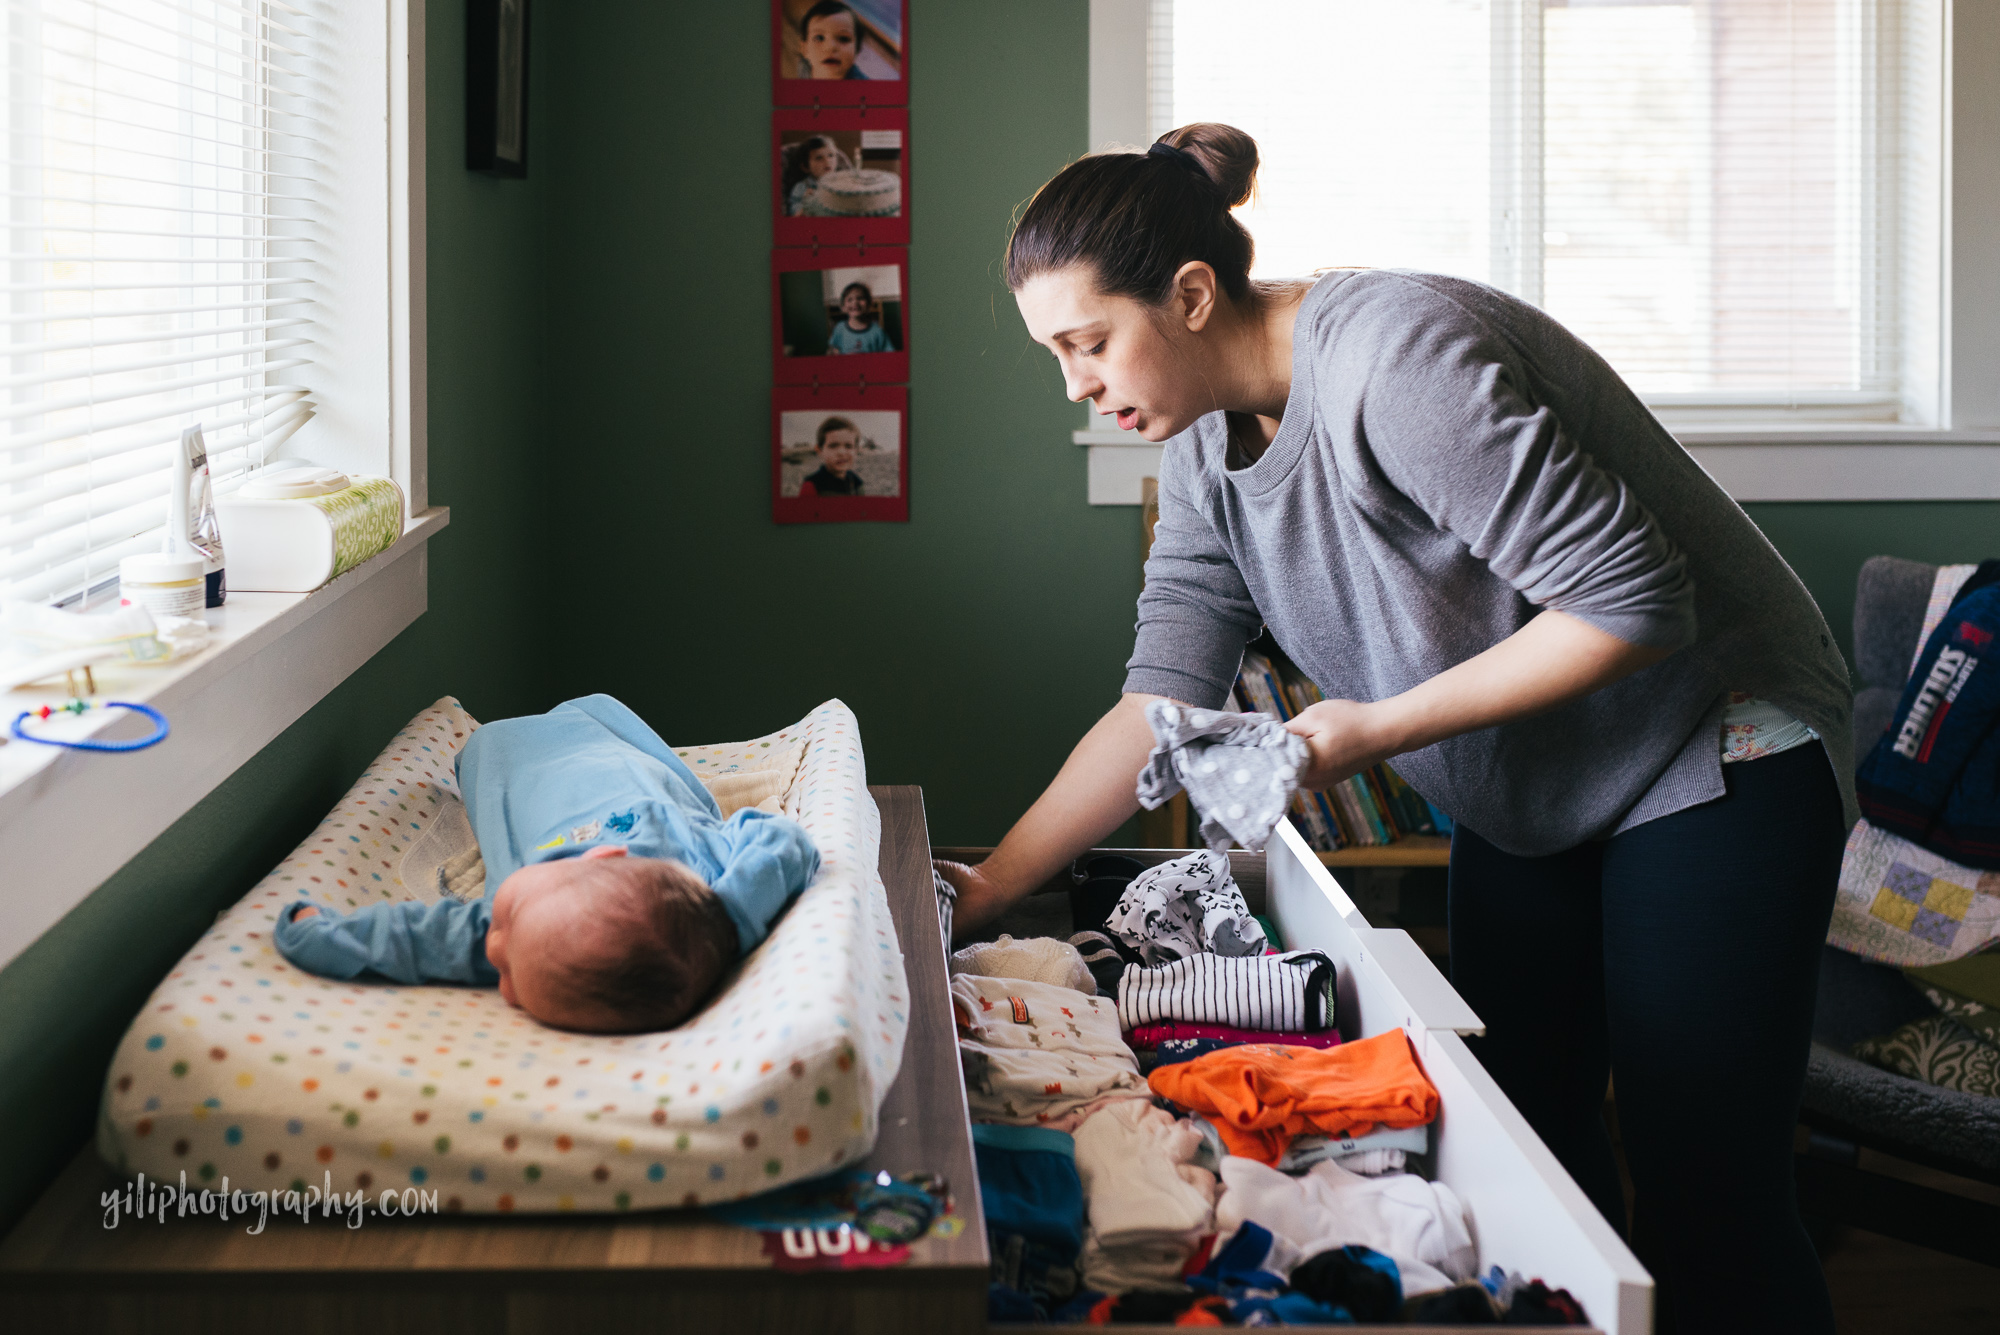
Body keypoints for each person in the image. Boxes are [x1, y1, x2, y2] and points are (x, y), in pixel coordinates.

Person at [936, 122, 1854, 1334]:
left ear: (1192, 296)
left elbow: (1633, 600)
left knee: (1704, 1184)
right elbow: (1156, 702)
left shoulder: (1397, 360)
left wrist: (1357, 733)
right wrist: (993, 885)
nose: (1076, 384)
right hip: (1536, 782)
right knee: (1517, 1144)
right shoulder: (1207, 456)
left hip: (1714, 742)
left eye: (1088, 343)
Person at [273, 695, 820, 1034]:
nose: (494, 956)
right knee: (602, 732)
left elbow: (410, 938)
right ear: (606, 856)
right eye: (506, 958)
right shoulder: (703, 867)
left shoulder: (515, 939)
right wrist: (730, 918)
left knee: (495, 752)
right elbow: (785, 843)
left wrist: (323, 936)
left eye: (506, 979)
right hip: (611, 756)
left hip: (517, 770)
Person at [795, 1, 866, 80]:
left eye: (843, 39)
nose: (830, 47)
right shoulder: (804, 68)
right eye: (819, 38)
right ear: (804, 48)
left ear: (857, 48)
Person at [797, 416, 865, 497]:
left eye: (848, 446)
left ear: (856, 451)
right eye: (833, 446)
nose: (841, 452)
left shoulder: (857, 483)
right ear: (819, 451)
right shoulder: (811, 487)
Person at [782, 135, 842, 216]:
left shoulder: (842, 181)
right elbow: (795, 217)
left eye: (831, 155)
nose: (827, 161)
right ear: (806, 167)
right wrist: (807, 204)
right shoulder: (802, 187)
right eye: (819, 158)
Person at [825, 281, 893, 354]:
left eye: (860, 298)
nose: (855, 302)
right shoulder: (839, 328)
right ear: (843, 307)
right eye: (850, 299)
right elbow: (832, 350)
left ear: (869, 304)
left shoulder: (877, 331)